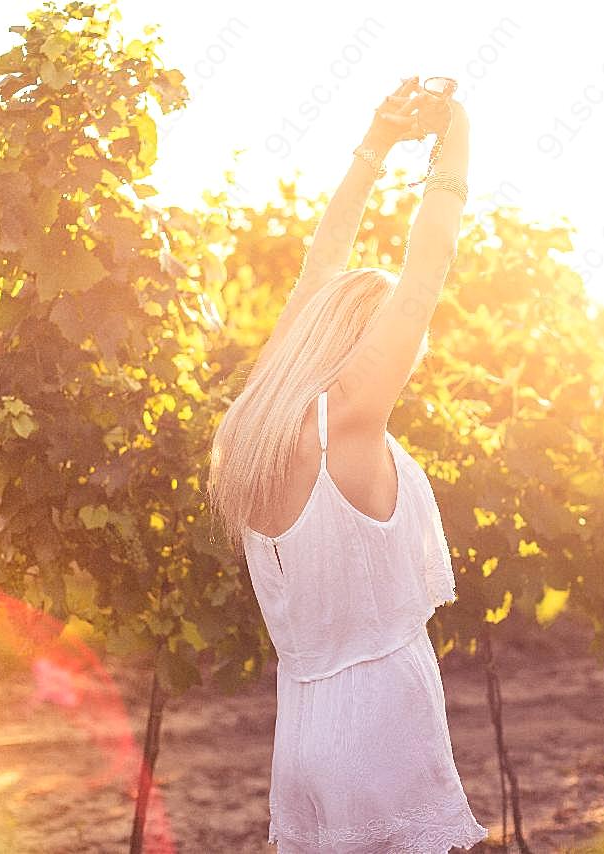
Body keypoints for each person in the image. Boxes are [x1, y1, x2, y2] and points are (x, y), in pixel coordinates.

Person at [207, 75, 486, 853]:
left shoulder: (258, 421)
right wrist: (455, 134)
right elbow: (427, 269)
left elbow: (319, 265)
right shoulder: (348, 422)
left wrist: (376, 145)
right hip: (383, 726)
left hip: (302, 723)